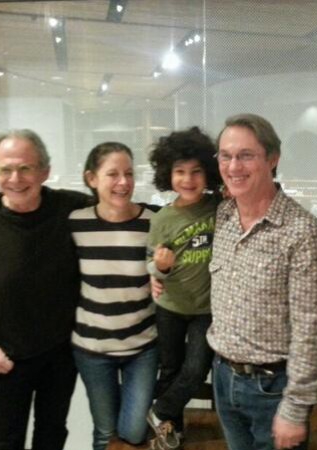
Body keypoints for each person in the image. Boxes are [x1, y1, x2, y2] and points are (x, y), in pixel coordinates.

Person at [0, 129, 90, 450]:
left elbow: (118, 211)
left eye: (25, 168)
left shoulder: (72, 209)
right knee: (4, 441)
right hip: (6, 357)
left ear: (45, 171)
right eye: (5, 169)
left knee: (52, 434)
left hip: (60, 354)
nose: (15, 178)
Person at [206, 114, 317, 450]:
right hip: (223, 377)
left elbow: (311, 330)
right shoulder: (225, 215)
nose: (233, 166)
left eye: (246, 155)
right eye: (225, 155)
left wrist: (295, 409)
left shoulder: (304, 234)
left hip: (273, 390)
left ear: (273, 159)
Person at [69, 142, 159, 450]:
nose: (123, 182)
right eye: (113, 174)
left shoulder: (153, 222)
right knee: (105, 433)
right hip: (92, 349)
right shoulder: (76, 224)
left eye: (129, 174)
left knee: (134, 432)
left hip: (142, 346)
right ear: (91, 178)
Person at [146, 126, 222, 450]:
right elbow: (151, 265)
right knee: (170, 368)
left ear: (209, 173)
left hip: (206, 309)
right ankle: (169, 429)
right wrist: (160, 268)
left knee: (196, 368)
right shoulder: (162, 218)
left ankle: (160, 410)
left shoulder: (219, 206)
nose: (188, 179)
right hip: (170, 306)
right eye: (179, 171)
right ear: (168, 174)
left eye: (196, 171)